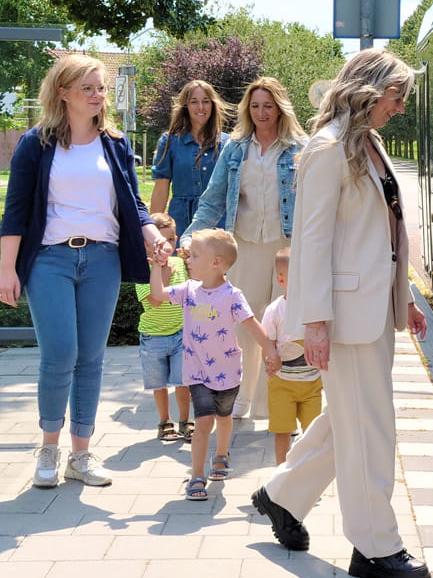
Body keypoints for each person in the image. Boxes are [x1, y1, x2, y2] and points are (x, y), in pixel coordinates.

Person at [252, 48, 431, 578]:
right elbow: (311, 242)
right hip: (344, 317)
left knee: (353, 419)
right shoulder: (328, 149)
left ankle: (281, 496)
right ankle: (374, 547)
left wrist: (405, 297)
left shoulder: (366, 143)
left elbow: (384, 233)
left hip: (371, 309)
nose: (400, 107)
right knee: (370, 429)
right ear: (371, 93)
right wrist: (314, 322)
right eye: (397, 97)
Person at [0, 53, 170, 488]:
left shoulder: (113, 142)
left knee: (91, 360)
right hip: (50, 260)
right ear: (63, 93)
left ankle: (81, 454)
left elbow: (132, 202)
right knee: (60, 355)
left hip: (102, 260)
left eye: (101, 88)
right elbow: (15, 212)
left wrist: (152, 235)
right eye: (88, 88)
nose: (98, 96)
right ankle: (49, 449)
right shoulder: (35, 144)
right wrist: (7, 269)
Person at [188, 76, 303, 419]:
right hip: (247, 245)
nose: (261, 112)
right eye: (255, 106)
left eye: (268, 106)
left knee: (284, 323)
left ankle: (276, 402)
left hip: (287, 246)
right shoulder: (236, 149)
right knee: (244, 324)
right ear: (247, 109)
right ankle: (243, 397)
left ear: (280, 108)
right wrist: (191, 238)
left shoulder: (300, 148)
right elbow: (212, 200)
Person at [149, 227, 279, 501]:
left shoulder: (232, 295)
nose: (187, 259)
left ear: (215, 263)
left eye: (194, 255)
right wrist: (157, 266)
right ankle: (197, 475)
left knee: (224, 417)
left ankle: (221, 454)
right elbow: (158, 295)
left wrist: (270, 349)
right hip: (197, 371)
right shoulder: (188, 290)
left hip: (228, 371)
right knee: (204, 420)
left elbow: (251, 324)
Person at [260, 245, 321, 465]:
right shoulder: (275, 310)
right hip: (282, 383)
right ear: (281, 279)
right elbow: (266, 341)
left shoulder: (315, 308)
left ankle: (306, 474)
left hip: (312, 383)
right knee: (282, 431)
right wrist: (269, 360)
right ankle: (281, 473)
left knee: (313, 433)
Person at [135, 212, 193, 443]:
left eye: (170, 240)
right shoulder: (142, 270)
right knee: (159, 384)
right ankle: (164, 421)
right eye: (160, 241)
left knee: (182, 381)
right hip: (153, 336)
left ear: (176, 240)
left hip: (181, 333)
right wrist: (162, 272)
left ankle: (186, 421)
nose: (166, 246)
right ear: (147, 244)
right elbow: (155, 301)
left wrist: (192, 257)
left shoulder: (181, 264)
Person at [149, 79, 231, 237]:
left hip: (217, 223)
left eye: (206, 102)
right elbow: (160, 190)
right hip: (181, 222)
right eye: (194, 102)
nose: (201, 107)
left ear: (213, 105)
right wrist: (154, 231)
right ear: (186, 106)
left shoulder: (228, 144)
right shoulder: (170, 142)